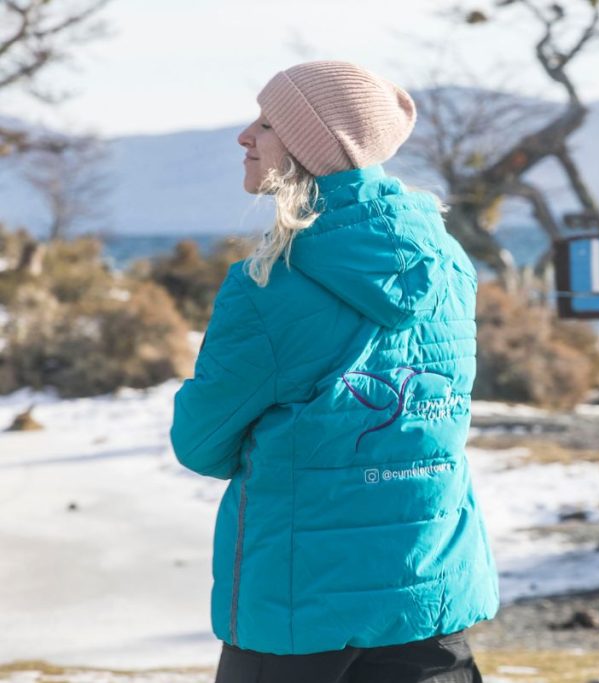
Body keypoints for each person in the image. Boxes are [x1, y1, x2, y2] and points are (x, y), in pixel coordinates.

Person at [169, 60, 500, 683]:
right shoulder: (450, 263)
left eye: (266, 124)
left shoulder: (270, 284)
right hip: (427, 595)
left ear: (309, 150)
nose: (245, 136)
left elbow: (199, 442)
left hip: (301, 609)